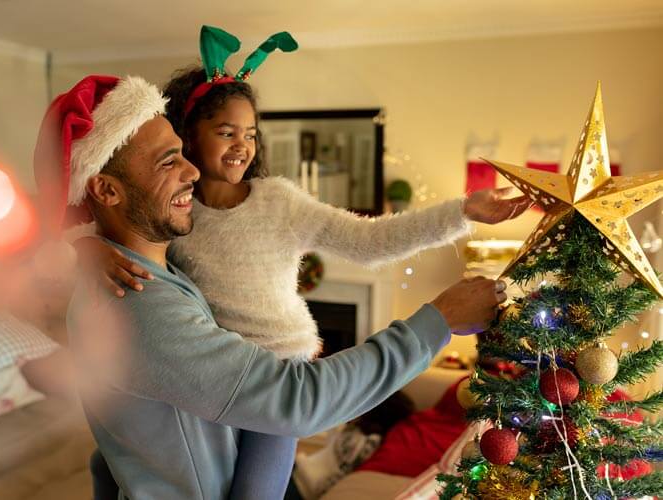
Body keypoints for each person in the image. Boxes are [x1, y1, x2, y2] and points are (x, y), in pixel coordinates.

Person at [75, 26, 531, 500]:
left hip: (282, 368)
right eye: (225, 132)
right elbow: (111, 225)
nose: (240, 145)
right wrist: (84, 248)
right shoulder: (175, 218)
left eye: (249, 134)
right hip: (224, 380)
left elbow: (371, 240)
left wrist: (462, 212)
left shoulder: (276, 202)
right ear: (190, 136)